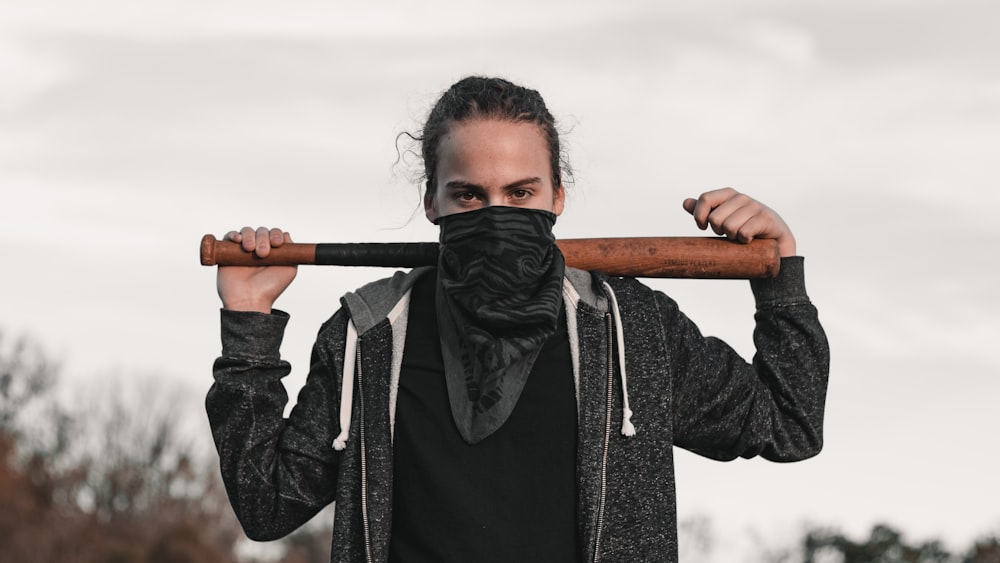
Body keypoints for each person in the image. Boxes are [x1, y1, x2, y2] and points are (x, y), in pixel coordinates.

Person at [206, 76, 829, 563]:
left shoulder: (632, 327)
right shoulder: (369, 332)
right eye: (469, 195)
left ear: (558, 197)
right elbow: (268, 504)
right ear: (432, 202)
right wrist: (249, 325)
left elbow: (788, 424)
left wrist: (780, 279)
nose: (495, 212)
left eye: (520, 193)